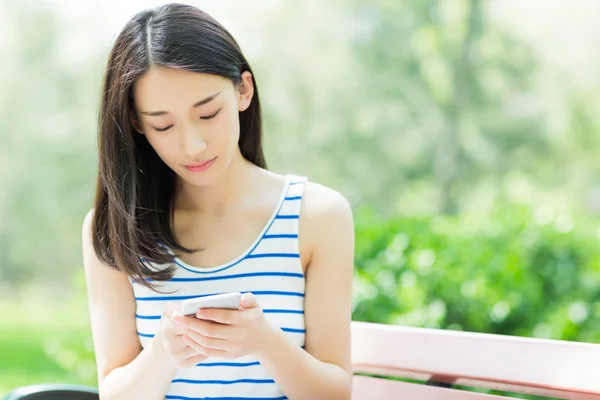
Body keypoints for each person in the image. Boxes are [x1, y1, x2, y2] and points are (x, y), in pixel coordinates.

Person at [81, 3, 355, 400]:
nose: (192, 145)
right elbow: (115, 392)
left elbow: (335, 394)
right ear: (137, 124)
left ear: (244, 89)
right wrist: (163, 353)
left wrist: (264, 343)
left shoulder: (317, 217)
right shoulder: (113, 229)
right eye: (163, 125)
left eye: (208, 114)